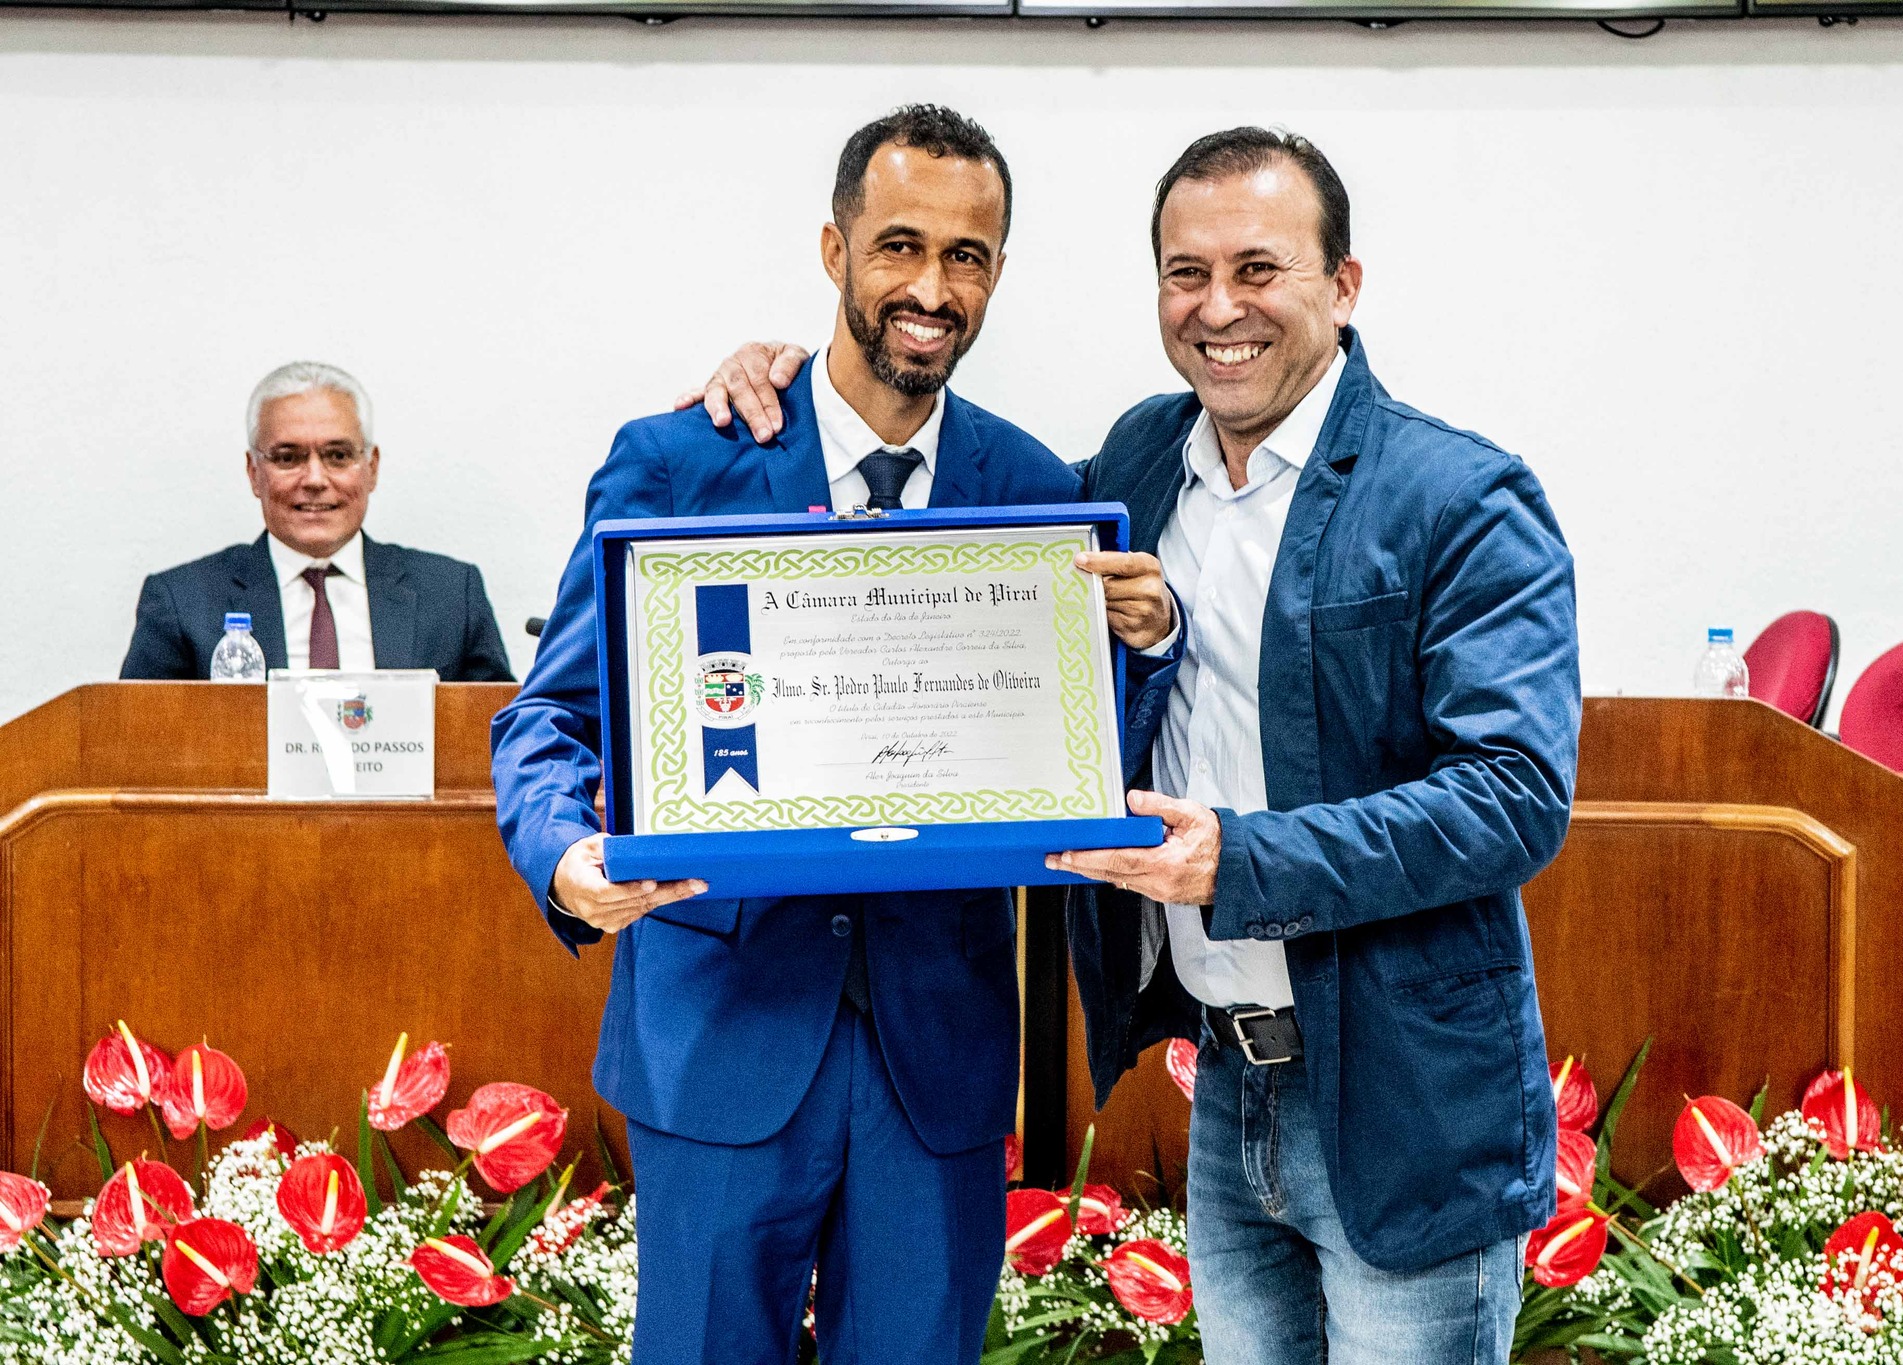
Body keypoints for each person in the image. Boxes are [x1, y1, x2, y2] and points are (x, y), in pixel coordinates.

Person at [680, 127, 1580, 1365]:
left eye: (1257, 270)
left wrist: (1234, 861)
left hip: (1403, 1097)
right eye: (1184, 274)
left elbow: (1512, 797)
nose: (1218, 309)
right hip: (1226, 1079)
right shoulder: (1140, 465)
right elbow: (945, 520)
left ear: (1342, 286)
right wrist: (789, 385)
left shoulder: (1459, 496)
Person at [490, 105, 1178, 1365]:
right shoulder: (681, 462)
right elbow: (550, 714)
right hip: (721, 1034)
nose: (930, 289)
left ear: (997, 274)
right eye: (898, 246)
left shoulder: (1039, 491)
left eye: (965, 257)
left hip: (938, 1055)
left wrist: (1147, 642)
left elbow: (1083, 757)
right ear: (833, 250)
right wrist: (563, 859)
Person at [119, 360, 514, 681]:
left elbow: (498, 737)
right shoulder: (181, 602)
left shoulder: (450, 595)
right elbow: (132, 743)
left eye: (338, 456)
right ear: (254, 473)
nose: (314, 479)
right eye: (288, 458)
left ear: (371, 468)